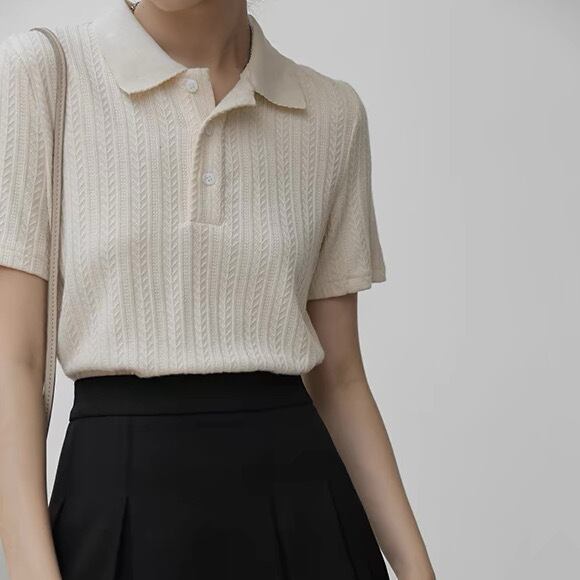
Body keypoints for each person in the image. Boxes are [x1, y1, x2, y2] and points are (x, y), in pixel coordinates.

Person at [0, 0, 436, 578]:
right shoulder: (45, 74)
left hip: (304, 523)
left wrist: (417, 568)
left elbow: (339, 377)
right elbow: (14, 362)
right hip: (116, 512)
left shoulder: (331, 113)